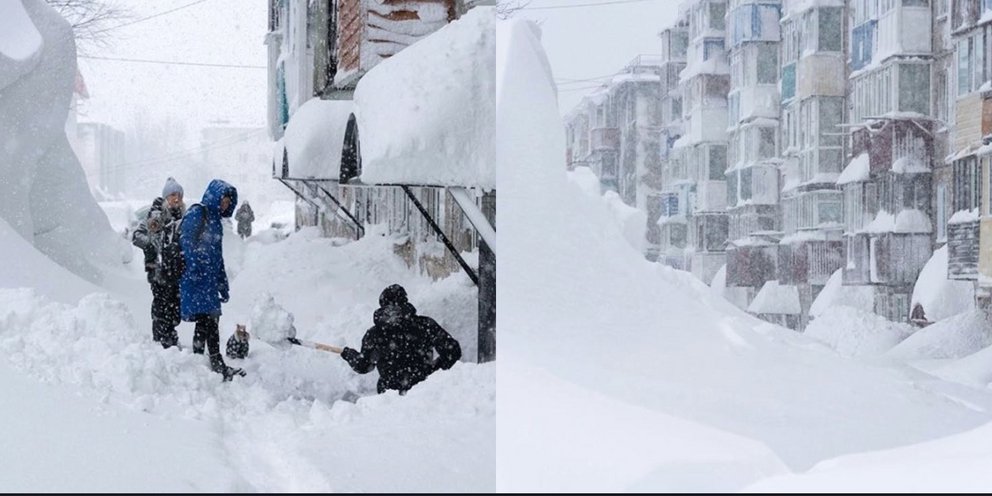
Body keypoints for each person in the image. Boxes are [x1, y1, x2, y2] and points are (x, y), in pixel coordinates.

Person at [179, 179, 246, 381]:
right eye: (223, 200)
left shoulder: (216, 221)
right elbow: (187, 245)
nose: (225, 205)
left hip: (207, 280)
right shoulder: (198, 213)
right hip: (195, 278)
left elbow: (217, 256)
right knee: (210, 319)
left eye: (228, 202)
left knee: (207, 320)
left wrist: (222, 282)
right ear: (214, 197)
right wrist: (198, 267)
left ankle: (201, 361)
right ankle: (216, 363)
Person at [341, 284, 462, 395]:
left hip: (389, 397)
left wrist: (350, 355)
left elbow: (363, 365)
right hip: (425, 391)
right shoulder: (425, 325)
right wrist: (435, 370)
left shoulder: (374, 334)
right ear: (405, 301)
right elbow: (452, 351)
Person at [131, 177, 187, 349]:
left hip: (176, 271)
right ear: (165, 198)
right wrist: (151, 247)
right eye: (172, 195)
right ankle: (160, 339)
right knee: (161, 305)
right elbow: (137, 236)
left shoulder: (184, 217)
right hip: (158, 270)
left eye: (178, 195)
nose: (176, 198)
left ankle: (170, 335)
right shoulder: (156, 214)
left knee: (175, 306)